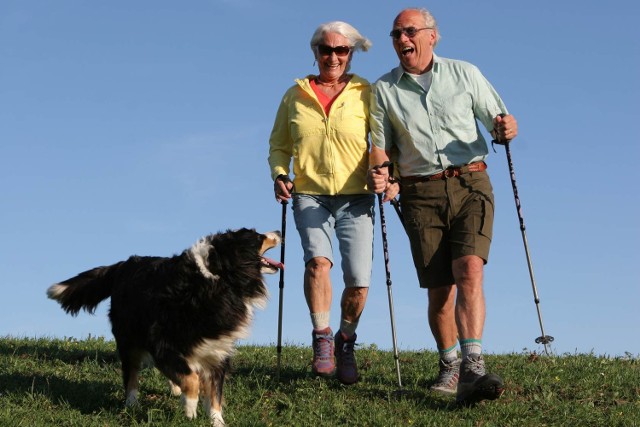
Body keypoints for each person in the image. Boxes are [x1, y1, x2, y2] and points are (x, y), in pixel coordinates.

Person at [367, 8, 517, 404]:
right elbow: (380, 146)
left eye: (410, 31)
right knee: (439, 290)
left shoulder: (465, 73)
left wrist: (506, 128)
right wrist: (380, 173)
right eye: (396, 34)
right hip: (420, 192)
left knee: (469, 268)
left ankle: (473, 365)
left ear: (432, 36)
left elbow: (498, 121)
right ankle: (449, 365)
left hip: (470, 181)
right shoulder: (383, 90)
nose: (402, 40)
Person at [268, 21, 374, 385]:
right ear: (315, 52)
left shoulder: (366, 92)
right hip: (310, 192)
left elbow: (383, 140)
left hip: (357, 195)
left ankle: (346, 340)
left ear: (351, 54)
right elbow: (280, 145)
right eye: (326, 50)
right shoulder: (294, 95)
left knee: (358, 281)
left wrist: (386, 173)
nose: (333, 57)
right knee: (317, 263)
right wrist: (281, 174)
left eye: (341, 51)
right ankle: (322, 339)